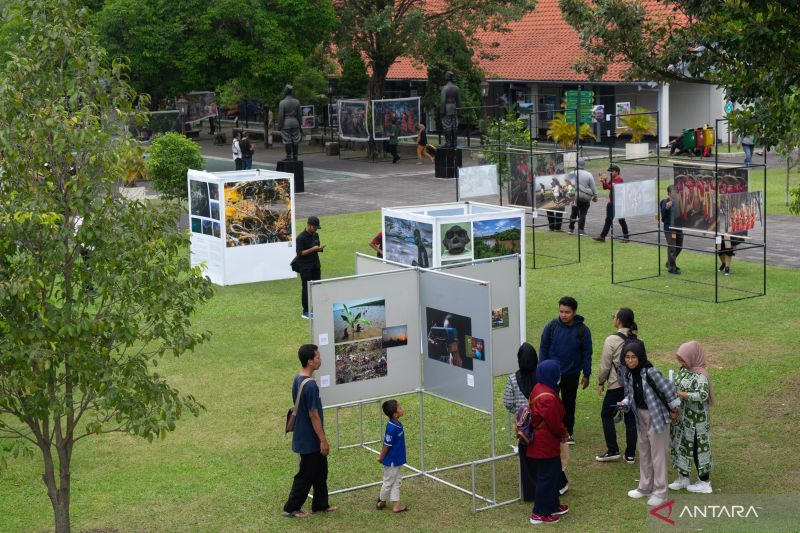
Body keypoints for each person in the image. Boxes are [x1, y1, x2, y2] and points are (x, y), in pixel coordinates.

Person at [620, 339, 681, 507]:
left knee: (658, 455)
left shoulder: (651, 372)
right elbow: (631, 395)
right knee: (645, 452)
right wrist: (624, 403)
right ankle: (645, 487)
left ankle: (661, 492)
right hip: (640, 417)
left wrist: (675, 409)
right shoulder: (628, 373)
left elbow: (669, 390)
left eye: (633, 357)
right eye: (627, 357)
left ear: (640, 356)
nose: (630, 360)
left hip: (657, 417)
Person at [282, 344, 337, 518]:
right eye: (318, 357)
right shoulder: (311, 386)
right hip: (310, 439)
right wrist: (323, 439)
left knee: (321, 471)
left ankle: (320, 504)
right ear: (310, 361)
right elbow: (314, 415)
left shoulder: (298, 379)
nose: (320, 360)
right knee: (306, 474)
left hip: (304, 435)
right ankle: (291, 508)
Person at [539, 296, 592, 445]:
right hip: (551, 374)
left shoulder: (583, 330)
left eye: (567, 312)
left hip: (572, 374)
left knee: (569, 404)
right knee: (550, 404)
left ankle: (567, 433)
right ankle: (550, 431)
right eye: (561, 311)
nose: (563, 315)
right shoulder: (552, 326)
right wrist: (541, 370)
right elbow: (543, 348)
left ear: (574, 312)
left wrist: (586, 374)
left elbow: (587, 353)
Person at [527, 360, 570, 525]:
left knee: (552, 475)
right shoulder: (549, 398)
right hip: (545, 444)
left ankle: (552, 505)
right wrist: (564, 434)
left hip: (541, 443)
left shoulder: (539, 388)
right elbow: (554, 423)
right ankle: (539, 513)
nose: (560, 376)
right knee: (546, 478)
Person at [669, 340, 714, 494]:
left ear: (693, 357)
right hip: (682, 419)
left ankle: (705, 483)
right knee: (681, 446)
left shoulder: (701, 375)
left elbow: (702, 395)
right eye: (680, 360)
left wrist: (682, 394)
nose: (681, 363)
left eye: (684, 360)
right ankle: (683, 478)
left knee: (697, 449)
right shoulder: (684, 370)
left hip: (697, 422)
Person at [596, 308, 638, 464]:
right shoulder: (637, 339)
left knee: (607, 413)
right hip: (633, 386)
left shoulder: (611, 340)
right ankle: (630, 454)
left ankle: (613, 449)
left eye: (614, 316)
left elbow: (605, 366)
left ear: (618, 320)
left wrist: (601, 382)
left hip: (616, 386)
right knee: (631, 418)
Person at [503, 343, 539, 502]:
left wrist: (519, 415)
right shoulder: (541, 376)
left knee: (526, 461)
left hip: (523, 429)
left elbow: (507, 402)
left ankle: (530, 493)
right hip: (540, 423)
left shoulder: (512, 378)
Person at [376, 399, 409, 513]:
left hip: (397, 460)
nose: (402, 408)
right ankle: (381, 501)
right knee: (389, 482)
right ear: (395, 414)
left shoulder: (397, 424)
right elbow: (386, 445)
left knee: (397, 481)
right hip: (391, 462)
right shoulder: (391, 428)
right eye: (399, 408)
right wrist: (381, 457)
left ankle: (396, 505)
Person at [296, 216, 324, 319]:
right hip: (305, 267)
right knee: (306, 289)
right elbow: (300, 253)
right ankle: (306, 312)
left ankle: (317, 309)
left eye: (317, 228)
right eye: (315, 227)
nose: (316, 230)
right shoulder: (300, 238)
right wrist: (313, 249)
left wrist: (319, 249)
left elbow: (317, 248)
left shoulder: (316, 234)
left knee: (317, 288)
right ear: (309, 225)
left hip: (315, 265)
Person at [593, 164, 630, 242]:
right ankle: (603, 236)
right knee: (610, 220)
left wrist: (605, 182)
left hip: (617, 203)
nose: (610, 173)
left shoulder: (619, 180)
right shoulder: (613, 179)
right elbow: (605, 187)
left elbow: (612, 188)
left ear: (616, 172)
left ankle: (625, 237)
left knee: (620, 220)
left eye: (612, 171)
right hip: (612, 203)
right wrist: (604, 181)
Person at [567, 158, 597, 236]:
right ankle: (581, 230)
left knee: (573, 213)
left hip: (574, 197)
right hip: (584, 197)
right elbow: (593, 187)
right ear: (584, 165)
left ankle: (571, 229)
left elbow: (568, 184)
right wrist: (595, 196)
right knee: (582, 213)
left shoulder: (571, 173)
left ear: (577, 164)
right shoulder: (588, 174)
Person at [659, 185, 683, 274]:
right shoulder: (664, 202)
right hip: (669, 229)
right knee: (672, 248)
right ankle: (672, 268)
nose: (675, 193)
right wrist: (667, 208)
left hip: (679, 228)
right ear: (668, 193)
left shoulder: (679, 202)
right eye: (673, 192)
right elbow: (663, 219)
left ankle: (669, 262)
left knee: (679, 247)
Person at [278, 84, 302, 161]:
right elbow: (299, 115)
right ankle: (295, 156)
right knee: (295, 140)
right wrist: (300, 125)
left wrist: (280, 125)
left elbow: (281, 116)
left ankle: (288, 156)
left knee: (287, 140)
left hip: (286, 123)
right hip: (295, 123)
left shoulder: (282, 102)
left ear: (286, 91)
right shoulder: (297, 102)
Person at [440, 71, 460, 148]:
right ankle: (455, 142)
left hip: (447, 109)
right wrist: (459, 110)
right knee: (454, 126)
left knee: (447, 126)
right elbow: (458, 101)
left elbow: (443, 101)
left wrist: (441, 112)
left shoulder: (445, 88)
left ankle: (448, 142)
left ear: (447, 77)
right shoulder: (456, 88)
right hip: (454, 108)